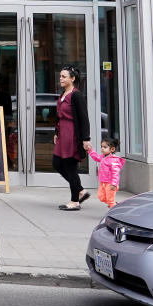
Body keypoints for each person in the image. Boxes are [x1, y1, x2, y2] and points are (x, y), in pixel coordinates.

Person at [53, 65, 91, 210]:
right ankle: (80, 191)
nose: (61, 79)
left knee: (70, 166)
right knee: (57, 163)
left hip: (72, 134)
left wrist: (86, 139)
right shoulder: (63, 94)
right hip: (63, 133)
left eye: (64, 76)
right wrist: (56, 132)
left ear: (72, 78)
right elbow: (58, 116)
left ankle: (75, 201)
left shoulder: (76, 95)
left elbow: (84, 118)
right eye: (60, 76)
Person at [86, 136, 125, 208]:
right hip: (103, 182)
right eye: (101, 147)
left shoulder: (114, 160)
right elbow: (96, 157)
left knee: (110, 200)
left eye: (105, 147)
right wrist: (90, 150)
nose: (102, 149)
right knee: (101, 197)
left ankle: (113, 209)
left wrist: (114, 184)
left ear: (112, 149)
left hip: (110, 184)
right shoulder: (103, 157)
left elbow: (115, 173)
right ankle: (114, 205)